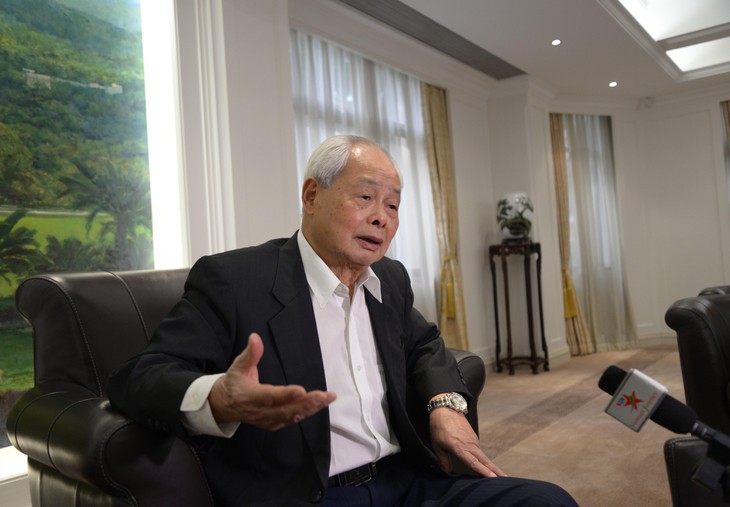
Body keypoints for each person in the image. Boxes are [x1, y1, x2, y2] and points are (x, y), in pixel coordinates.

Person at [108, 135, 577, 506]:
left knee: (547, 500)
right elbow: (140, 376)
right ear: (312, 195)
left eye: (392, 206)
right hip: (311, 493)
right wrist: (218, 399)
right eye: (365, 197)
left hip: (409, 482)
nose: (381, 218)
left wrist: (446, 404)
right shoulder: (234, 280)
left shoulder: (389, 279)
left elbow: (425, 344)